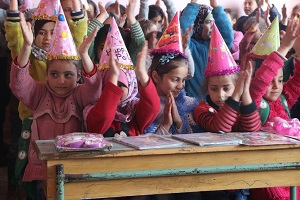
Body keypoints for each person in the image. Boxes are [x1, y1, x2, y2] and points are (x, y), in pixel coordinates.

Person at [9, 9, 102, 199]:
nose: (61, 81)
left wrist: (84, 55)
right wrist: (27, 46)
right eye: (54, 75)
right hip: (41, 170)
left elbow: (94, 90)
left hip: (72, 168)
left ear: (78, 76)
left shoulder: (78, 95)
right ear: (46, 75)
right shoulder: (39, 93)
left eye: (68, 75)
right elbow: (19, 85)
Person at [194, 23, 261, 200]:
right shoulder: (201, 108)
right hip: (211, 177)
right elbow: (220, 127)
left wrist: (245, 93)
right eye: (214, 89)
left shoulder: (239, 106)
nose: (220, 95)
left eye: (226, 88)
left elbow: (252, 130)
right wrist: (236, 93)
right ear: (207, 88)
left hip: (239, 177)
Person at [249, 18, 300, 200]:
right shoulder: (254, 103)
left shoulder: (283, 99)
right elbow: (260, 82)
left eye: (279, 80)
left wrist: (298, 51)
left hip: (290, 171)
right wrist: (284, 48)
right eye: (271, 80)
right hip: (268, 176)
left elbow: (298, 80)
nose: (276, 86)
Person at [84, 17, 160, 137]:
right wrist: (113, 77)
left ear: (130, 87)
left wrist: (142, 73)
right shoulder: (91, 109)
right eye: (110, 85)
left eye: (121, 85)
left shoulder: (133, 110)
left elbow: (153, 107)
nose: (116, 91)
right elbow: (104, 116)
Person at [145, 11, 202, 135]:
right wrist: (166, 124)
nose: (181, 85)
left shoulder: (188, 104)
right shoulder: (143, 105)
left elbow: (195, 139)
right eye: (175, 79)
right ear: (156, 76)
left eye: (183, 80)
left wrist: (179, 122)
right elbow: (144, 142)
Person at [180, 0, 234, 99]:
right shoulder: (189, 45)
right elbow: (183, 31)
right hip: (194, 104)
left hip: (216, 100)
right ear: (197, 24)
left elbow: (228, 38)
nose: (212, 27)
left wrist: (216, 7)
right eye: (208, 22)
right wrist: (193, 4)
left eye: (213, 22)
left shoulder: (214, 45)